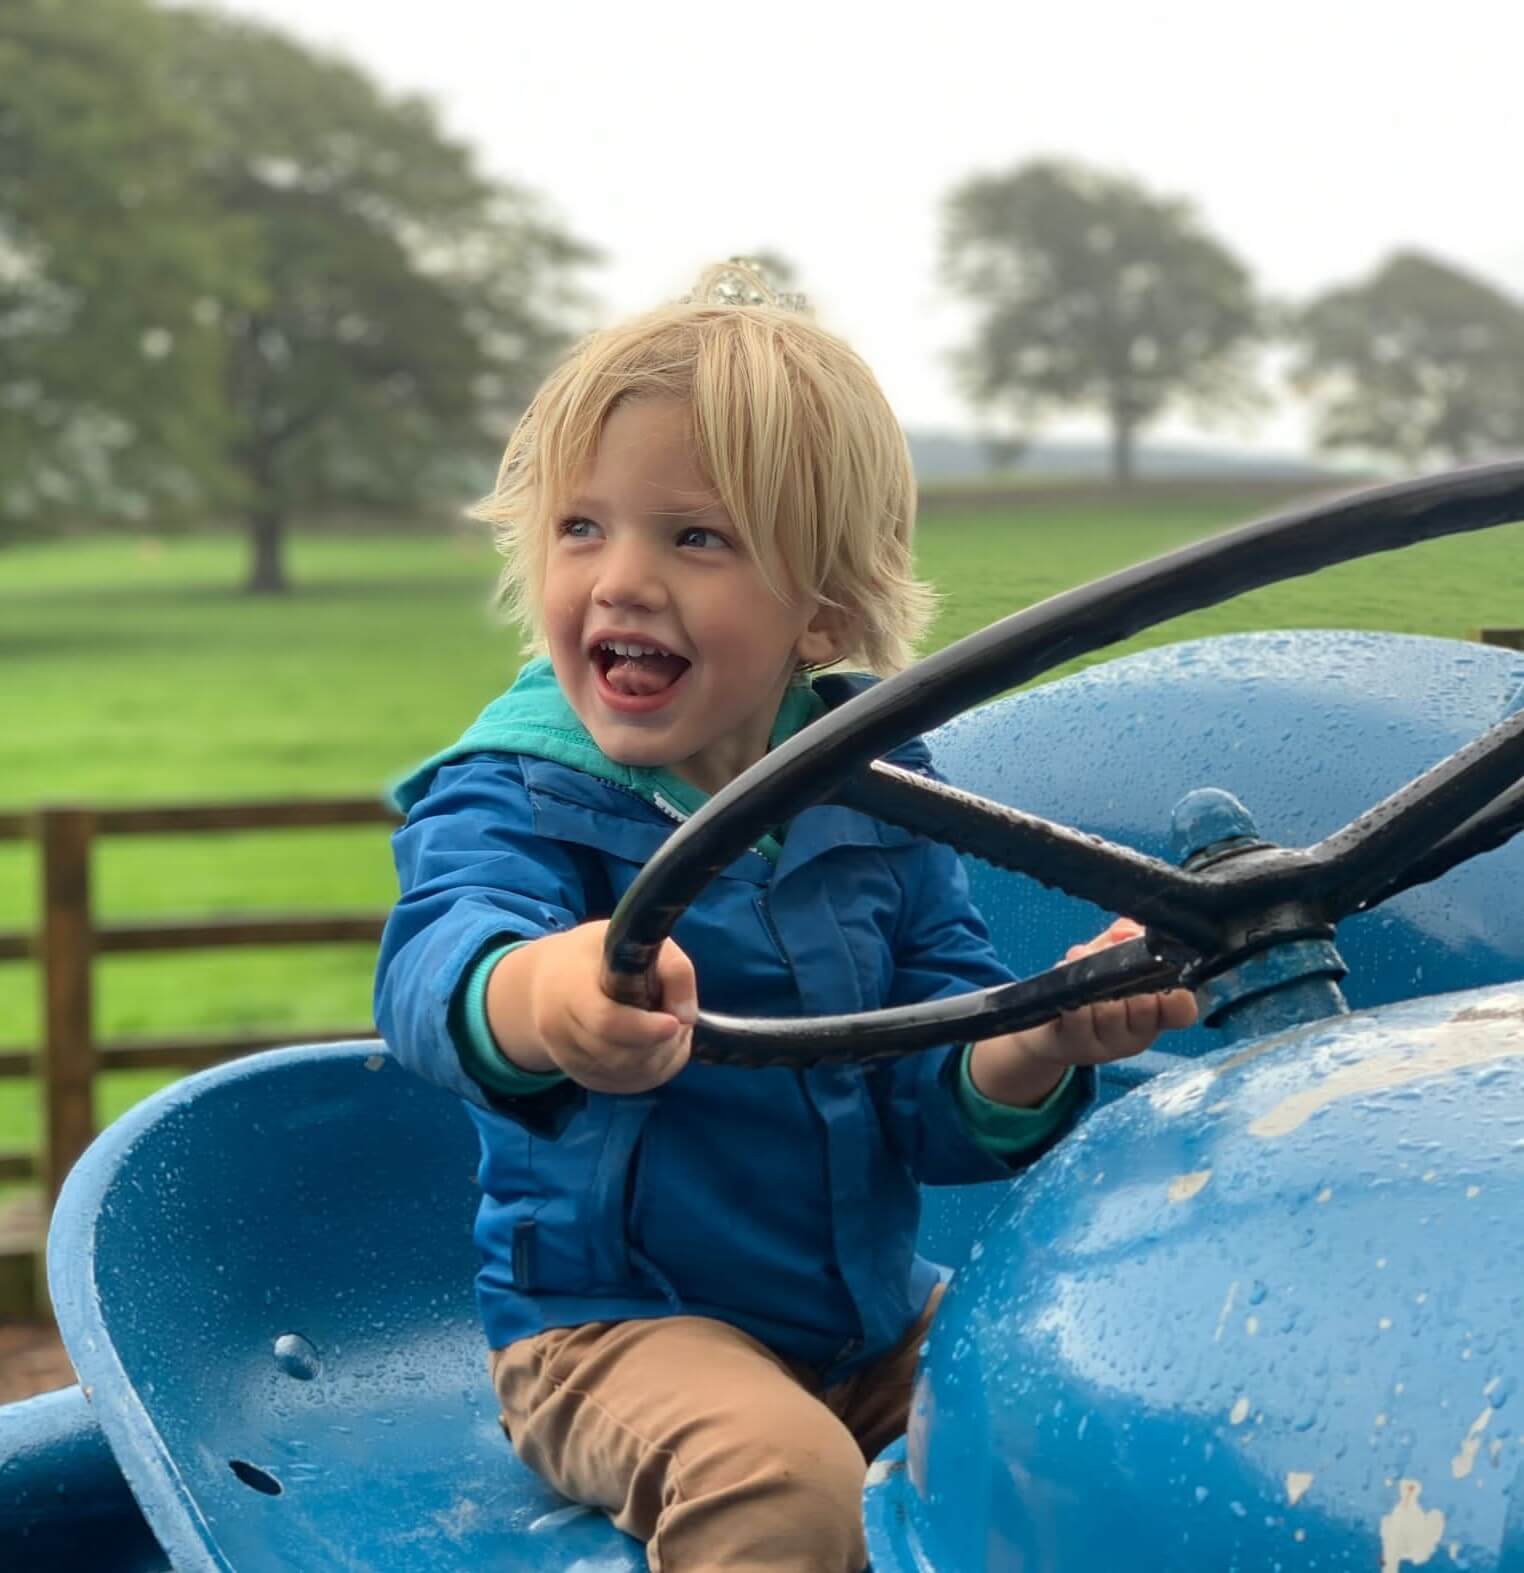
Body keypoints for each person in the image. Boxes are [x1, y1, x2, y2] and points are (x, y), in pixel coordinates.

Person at [373, 260, 1197, 1572]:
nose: (624, 578)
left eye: (694, 537)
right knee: (780, 1483)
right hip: (612, 1326)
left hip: (869, 1322)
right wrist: (549, 995)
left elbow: (935, 1073)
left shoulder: (874, 796)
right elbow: (437, 961)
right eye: (583, 527)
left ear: (819, 604)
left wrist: (1044, 1036)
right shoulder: (521, 789)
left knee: (1087, 1408)